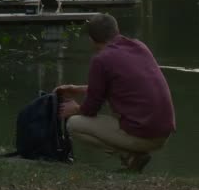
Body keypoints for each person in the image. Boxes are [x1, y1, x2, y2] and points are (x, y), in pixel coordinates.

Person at [55, 13, 175, 172]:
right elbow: (118, 86)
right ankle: (133, 156)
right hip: (162, 133)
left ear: (91, 40)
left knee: (74, 124)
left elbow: (90, 110)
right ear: (116, 30)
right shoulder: (139, 46)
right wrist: (76, 89)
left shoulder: (101, 60)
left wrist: (74, 109)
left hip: (144, 135)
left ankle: (129, 155)